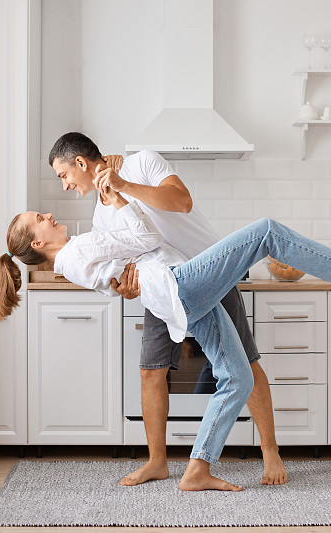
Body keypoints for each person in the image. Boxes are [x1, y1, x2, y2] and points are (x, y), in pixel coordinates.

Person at [0, 179, 331, 492]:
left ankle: (198, 468)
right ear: (38, 240)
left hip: (176, 296)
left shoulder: (75, 255)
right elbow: (147, 238)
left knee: (238, 377)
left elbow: (133, 255)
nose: (47, 214)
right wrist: (119, 199)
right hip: (179, 285)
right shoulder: (75, 251)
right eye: (38, 219)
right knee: (266, 230)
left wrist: (124, 235)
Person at [48, 132, 287, 488]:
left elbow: (182, 201)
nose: (65, 185)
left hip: (208, 273)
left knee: (247, 363)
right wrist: (124, 289)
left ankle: (270, 451)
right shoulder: (101, 214)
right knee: (151, 371)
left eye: (63, 175)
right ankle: (157, 461)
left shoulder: (142, 162)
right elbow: (123, 264)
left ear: (80, 163)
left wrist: (124, 184)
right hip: (162, 289)